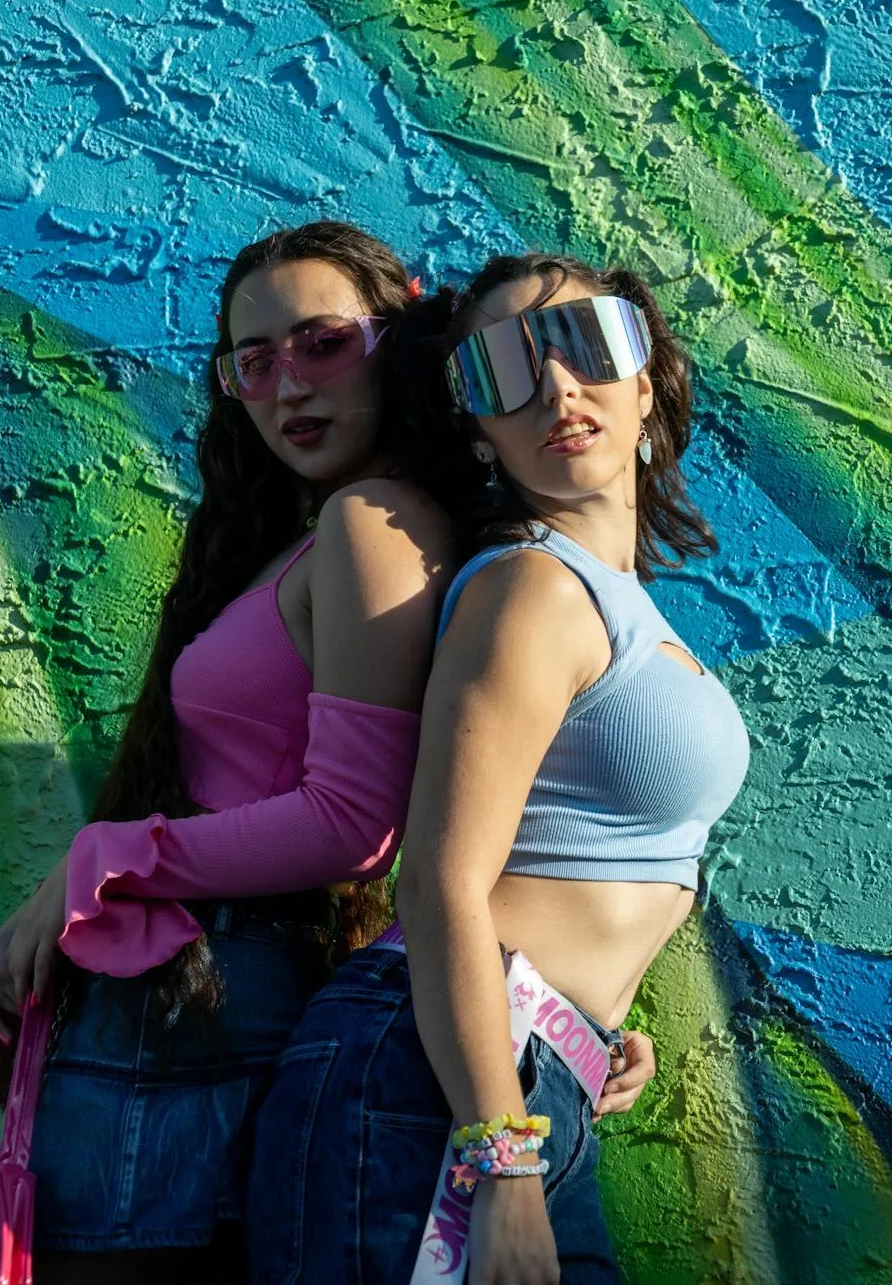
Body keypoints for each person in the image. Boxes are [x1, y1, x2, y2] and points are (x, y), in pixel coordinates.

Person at [246, 253, 750, 1285]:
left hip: (522, 1076)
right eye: (503, 373)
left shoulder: (615, 604)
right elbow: (436, 881)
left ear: (645, 381)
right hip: (450, 1099)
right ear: (477, 426)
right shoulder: (531, 588)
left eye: (584, 346)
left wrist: (592, 1025)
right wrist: (502, 1156)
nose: (556, 390)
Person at [0, 221, 463, 1284]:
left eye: (324, 342)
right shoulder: (317, 532)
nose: (288, 383)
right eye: (254, 361)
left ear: (399, 336)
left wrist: (100, 861)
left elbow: (351, 823)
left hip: (208, 999)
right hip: (196, 1000)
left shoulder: (372, 522)